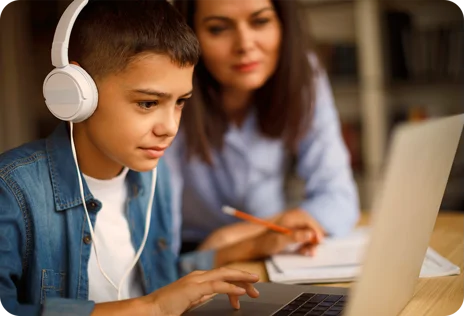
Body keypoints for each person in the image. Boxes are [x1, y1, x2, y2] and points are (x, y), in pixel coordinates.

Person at [0, 1, 260, 315]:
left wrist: (249, 246)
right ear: (76, 93)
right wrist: (154, 308)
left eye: (180, 102)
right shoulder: (11, 191)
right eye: (148, 103)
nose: (170, 128)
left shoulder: (155, 176)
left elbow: (162, 279)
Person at [166, 0, 361, 266]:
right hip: (193, 255)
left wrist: (236, 237)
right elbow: (161, 258)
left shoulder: (303, 73)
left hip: (271, 246)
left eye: (260, 22)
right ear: (190, 35)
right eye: (218, 29)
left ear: (283, 24)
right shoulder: (169, 92)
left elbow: (339, 199)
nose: (245, 44)